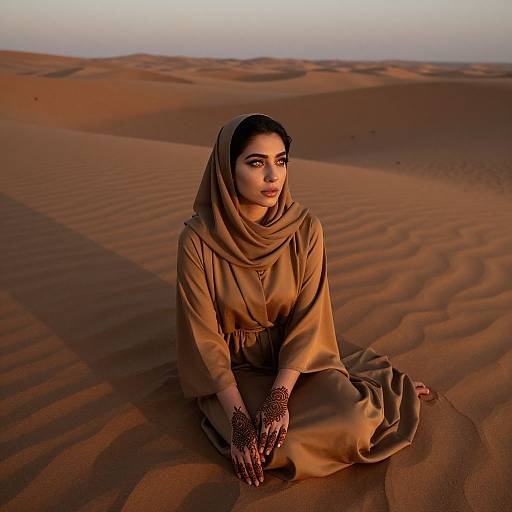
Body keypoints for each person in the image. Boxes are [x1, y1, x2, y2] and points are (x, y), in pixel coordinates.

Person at [175, 112, 431, 486]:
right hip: (233, 369)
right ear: (227, 169)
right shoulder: (197, 240)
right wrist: (239, 420)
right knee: (271, 449)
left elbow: (309, 318)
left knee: (357, 424)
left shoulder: (306, 228)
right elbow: (203, 336)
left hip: (296, 359)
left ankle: (377, 390)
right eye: (256, 162)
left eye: (280, 161)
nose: (272, 176)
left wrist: (279, 398)